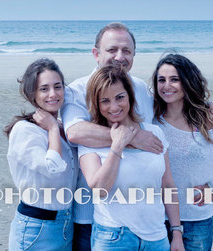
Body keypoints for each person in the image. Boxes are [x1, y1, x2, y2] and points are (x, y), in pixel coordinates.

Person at [61, 22, 213, 251]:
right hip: (93, 218)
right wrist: (131, 137)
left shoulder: (138, 88)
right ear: (95, 53)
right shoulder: (77, 89)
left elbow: (171, 105)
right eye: (112, 50)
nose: (120, 57)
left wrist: (204, 105)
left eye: (127, 51)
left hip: (149, 221)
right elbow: (75, 132)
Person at [78, 63, 184, 250]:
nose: (114, 106)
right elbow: (100, 189)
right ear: (96, 103)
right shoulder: (90, 140)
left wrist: (176, 233)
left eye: (120, 97)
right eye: (105, 100)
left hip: (157, 237)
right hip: (113, 237)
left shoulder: (155, 133)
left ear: (130, 96)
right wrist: (118, 145)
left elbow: (167, 184)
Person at [152, 54, 213, 250]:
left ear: (187, 82)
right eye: (161, 80)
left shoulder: (208, 118)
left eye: (174, 79)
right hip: (156, 217)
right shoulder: (152, 117)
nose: (166, 86)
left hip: (197, 218)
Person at [5, 58, 78, 251]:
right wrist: (53, 129)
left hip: (66, 225)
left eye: (58, 86)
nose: (53, 94)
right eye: (44, 89)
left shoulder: (66, 128)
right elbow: (52, 168)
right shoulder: (24, 130)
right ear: (33, 94)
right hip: (36, 227)